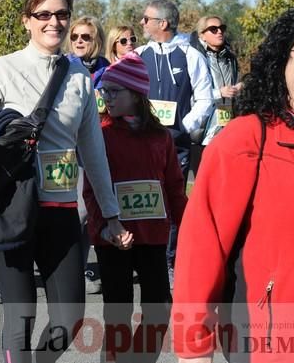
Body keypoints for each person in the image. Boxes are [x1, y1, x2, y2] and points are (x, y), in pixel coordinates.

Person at [172, 1, 294, 363]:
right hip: (278, 347)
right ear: (283, 60)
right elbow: (202, 247)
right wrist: (194, 346)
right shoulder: (246, 140)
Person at [0, 0, 123, 363]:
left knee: (70, 318)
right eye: (43, 14)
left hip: (62, 211)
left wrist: (110, 213)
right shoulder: (4, 69)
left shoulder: (78, 76)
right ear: (27, 21)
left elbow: (93, 151)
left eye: (61, 14)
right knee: (21, 315)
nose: (54, 22)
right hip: (13, 206)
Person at [84, 52, 187, 362]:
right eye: (104, 91)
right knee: (119, 312)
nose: (107, 97)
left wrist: (190, 228)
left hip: (153, 235)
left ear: (136, 93)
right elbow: (90, 189)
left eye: (115, 91)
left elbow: (174, 186)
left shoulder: (161, 137)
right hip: (113, 237)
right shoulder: (99, 134)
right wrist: (104, 226)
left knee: (160, 307)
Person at [135, 0, 213, 283]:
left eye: (146, 19)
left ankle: (169, 260)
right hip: (140, 143)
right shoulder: (140, 53)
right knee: (140, 199)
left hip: (173, 145)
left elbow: (205, 98)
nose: (142, 23)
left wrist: (183, 126)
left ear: (162, 24)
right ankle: (142, 256)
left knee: (169, 202)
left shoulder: (190, 55)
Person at [65, 15, 111, 295]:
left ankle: (91, 269)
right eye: (75, 37)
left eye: (86, 37)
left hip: (103, 149)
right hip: (71, 152)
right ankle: (72, 271)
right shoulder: (64, 68)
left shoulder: (109, 71)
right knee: (78, 215)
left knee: (97, 215)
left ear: (98, 41)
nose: (80, 41)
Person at [189, 16, 241, 145]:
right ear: (202, 35)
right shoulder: (193, 57)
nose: (219, 32)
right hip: (203, 132)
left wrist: (240, 88)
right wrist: (219, 93)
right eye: (213, 29)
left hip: (228, 128)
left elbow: (235, 86)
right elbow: (189, 96)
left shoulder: (230, 58)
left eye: (222, 28)